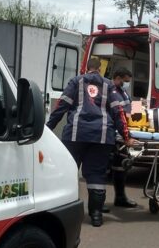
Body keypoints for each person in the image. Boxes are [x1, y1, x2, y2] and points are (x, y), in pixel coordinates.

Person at [46, 58, 135, 227]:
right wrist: (126, 136)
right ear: (100, 68)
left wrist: (47, 128)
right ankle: (96, 215)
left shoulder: (75, 81)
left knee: (68, 172)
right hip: (101, 136)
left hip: (75, 135)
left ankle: (63, 214)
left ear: (86, 68)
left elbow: (61, 106)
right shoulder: (109, 85)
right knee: (96, 175)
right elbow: (118, 112)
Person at [109, 67, 138, 208]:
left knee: (122, 167)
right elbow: (119, 115)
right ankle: (117, 198)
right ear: (118, 78)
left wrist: (140, 106)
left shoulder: (123, 92)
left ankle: (120, 197)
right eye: (125, 81)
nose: (126, 84)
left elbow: (130, 109)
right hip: (116, 134)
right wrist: (126, 137)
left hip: (124, 132)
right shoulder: (112, 92)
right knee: (115, 166)